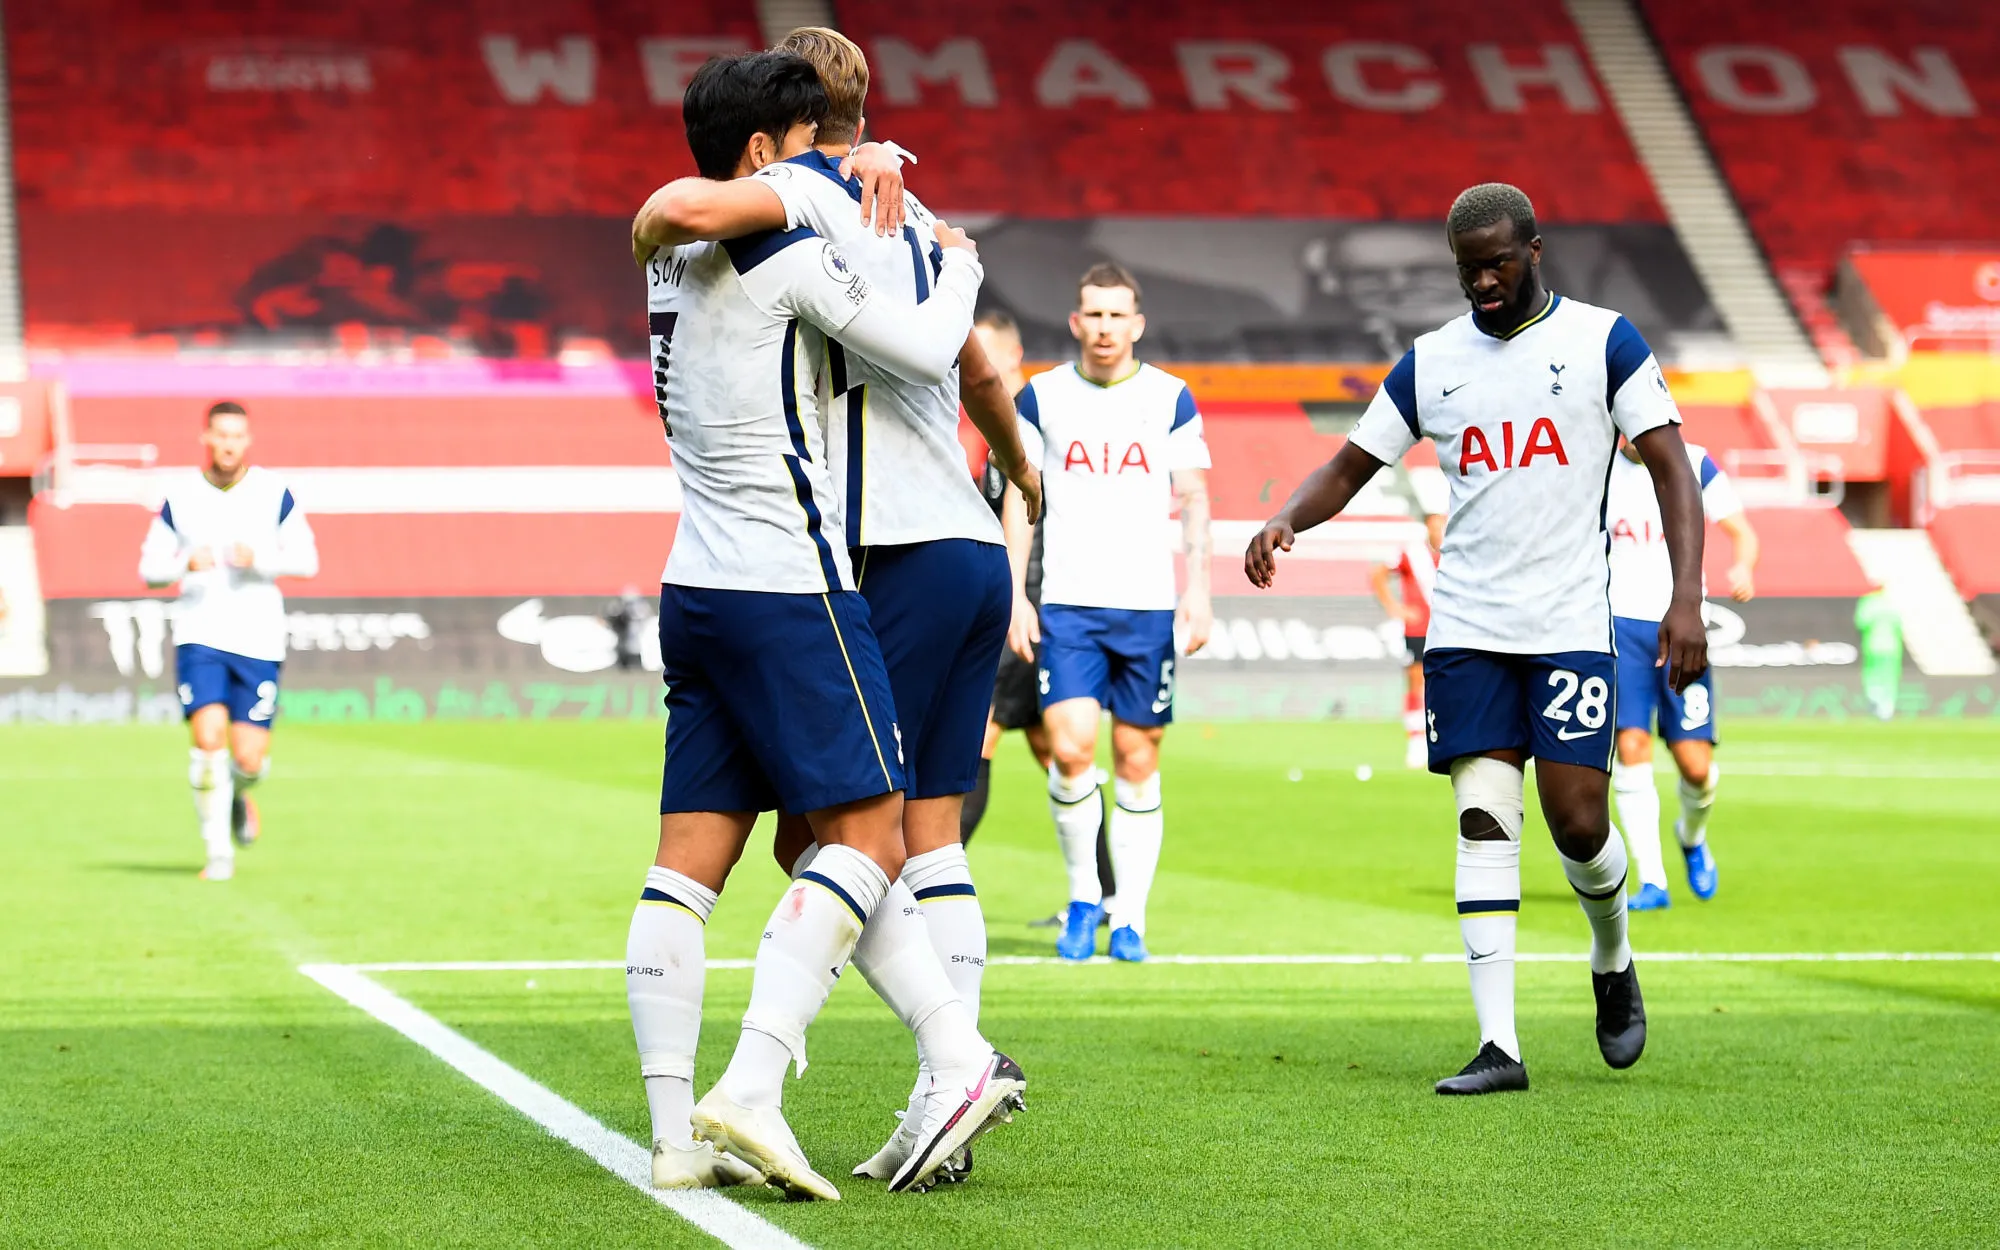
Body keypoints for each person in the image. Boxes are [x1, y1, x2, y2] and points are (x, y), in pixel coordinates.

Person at [635, 27, 1040, 1191]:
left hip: (709, 575)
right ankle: (788, 1083)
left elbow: (671, 205)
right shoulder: (828, 229)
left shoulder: (682, 248)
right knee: (875, 833)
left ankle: (691, 1132)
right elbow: (939, 353)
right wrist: (958, 259)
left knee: (723, 858)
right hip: (819, 571)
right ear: (772, 149)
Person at [1246, 183, 1708, 1095]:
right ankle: (1500, 1046)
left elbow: (1671, 470)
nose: (1483, 282)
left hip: (1572, 626)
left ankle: (1611, 958)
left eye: (1497, 262)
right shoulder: (1430, 363)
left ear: (1535, 249)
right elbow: (1351, 463)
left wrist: (1685, 597)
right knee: (1483, 820)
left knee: (1580, 825)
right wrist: (1285, 518)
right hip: (1467, 630)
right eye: (1467, 269)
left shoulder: (1605, 341)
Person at [1009, 262, 1213, 964]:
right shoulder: (1041, 397)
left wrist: (1199, 589)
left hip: (1148, 607)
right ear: (1076, 322)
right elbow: (1020, 501)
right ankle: (1083, 895)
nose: (1105, 327)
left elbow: (1192, 496)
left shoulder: (1170, 397)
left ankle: (1130, 915)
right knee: (1069, 750)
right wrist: (1015, 595)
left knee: (1136, 757)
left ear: (1137, 324)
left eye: (1117, 315)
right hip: (1067, 605)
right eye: (1093, 314)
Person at [137, 402, 317, 882]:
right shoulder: (180, 497)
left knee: (249, 759)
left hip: (258, 638)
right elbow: (149, 569)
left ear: (248, 440)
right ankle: (218, 854)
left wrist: (259, 558)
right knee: (208, 739)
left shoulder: (273, 492)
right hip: (200, 635)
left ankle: (240, 795)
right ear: (207, 438)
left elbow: (307, 560)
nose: (229, 444)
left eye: (238, 435)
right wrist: (182, 564)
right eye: (221, 435)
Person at [1606, 438, 1758, 909]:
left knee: (1696, 766)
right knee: (1631, 746)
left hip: (1682, 623)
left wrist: (1744, 567)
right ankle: (1652, 882)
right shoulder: (1596, 462)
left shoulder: (1693, 461)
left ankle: (1691, 837)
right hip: (1617, 625)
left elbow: (1743, 531)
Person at [1371, 510, 1445, 769]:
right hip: (1418, 630)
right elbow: (1378, 573)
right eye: (1435, 526)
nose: (1439, 531)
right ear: (1427, 528)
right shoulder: (1412, 554)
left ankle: (1446, 739)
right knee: (1416, 682)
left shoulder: (1459, 552)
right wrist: (1395, 607)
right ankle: (1416, 743)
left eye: (1443, 525)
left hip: (1450, 629)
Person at [1855, 583, 1903, 720]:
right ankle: (1887, 707)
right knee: (1889, 677)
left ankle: (1874, 700)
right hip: (1892, 647)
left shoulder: (1868, 602)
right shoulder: (1892, 603)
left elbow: (1861, 622)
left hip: (1873, 645)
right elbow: (1898, 624)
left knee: (1872, 676)